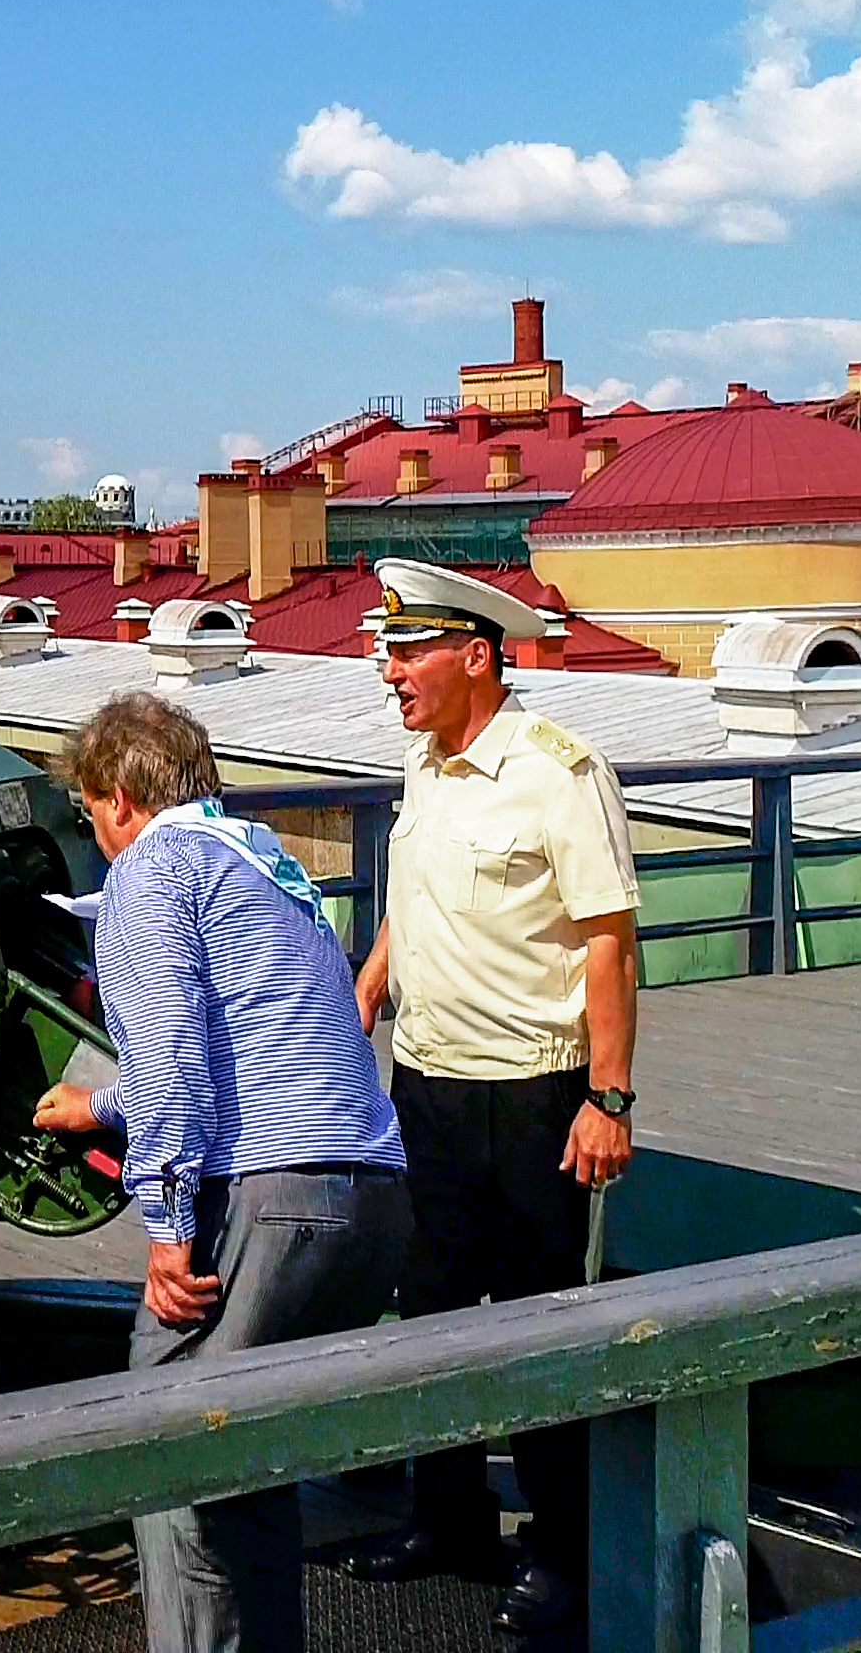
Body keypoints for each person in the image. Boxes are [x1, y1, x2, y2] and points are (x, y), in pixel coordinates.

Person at [28, 690, 408, 1653]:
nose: (95, 834)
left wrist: (162, 1226)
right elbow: (255, 1031)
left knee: (172, 1432)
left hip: (281, 1199)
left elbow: (171, 1062)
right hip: (368, 1194)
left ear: (117, 797)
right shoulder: (258, 860)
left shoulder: (150, 873)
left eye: (87, 811)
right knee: (248, 1459)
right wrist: (99, 1104)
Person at [336, 561, 643, 1641]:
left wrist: (606, 1097)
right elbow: (415, 901)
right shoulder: (427, 764)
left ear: (476, 655)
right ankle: (448, 1520)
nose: (390, 671)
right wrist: (371, 979)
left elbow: (608, 939)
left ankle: (562, 1552)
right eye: (389, 649)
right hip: (425, 1082)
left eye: (409, 651)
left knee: (536, 1327)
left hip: (532, 1092)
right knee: (426, 1309)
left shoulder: (559, 773)